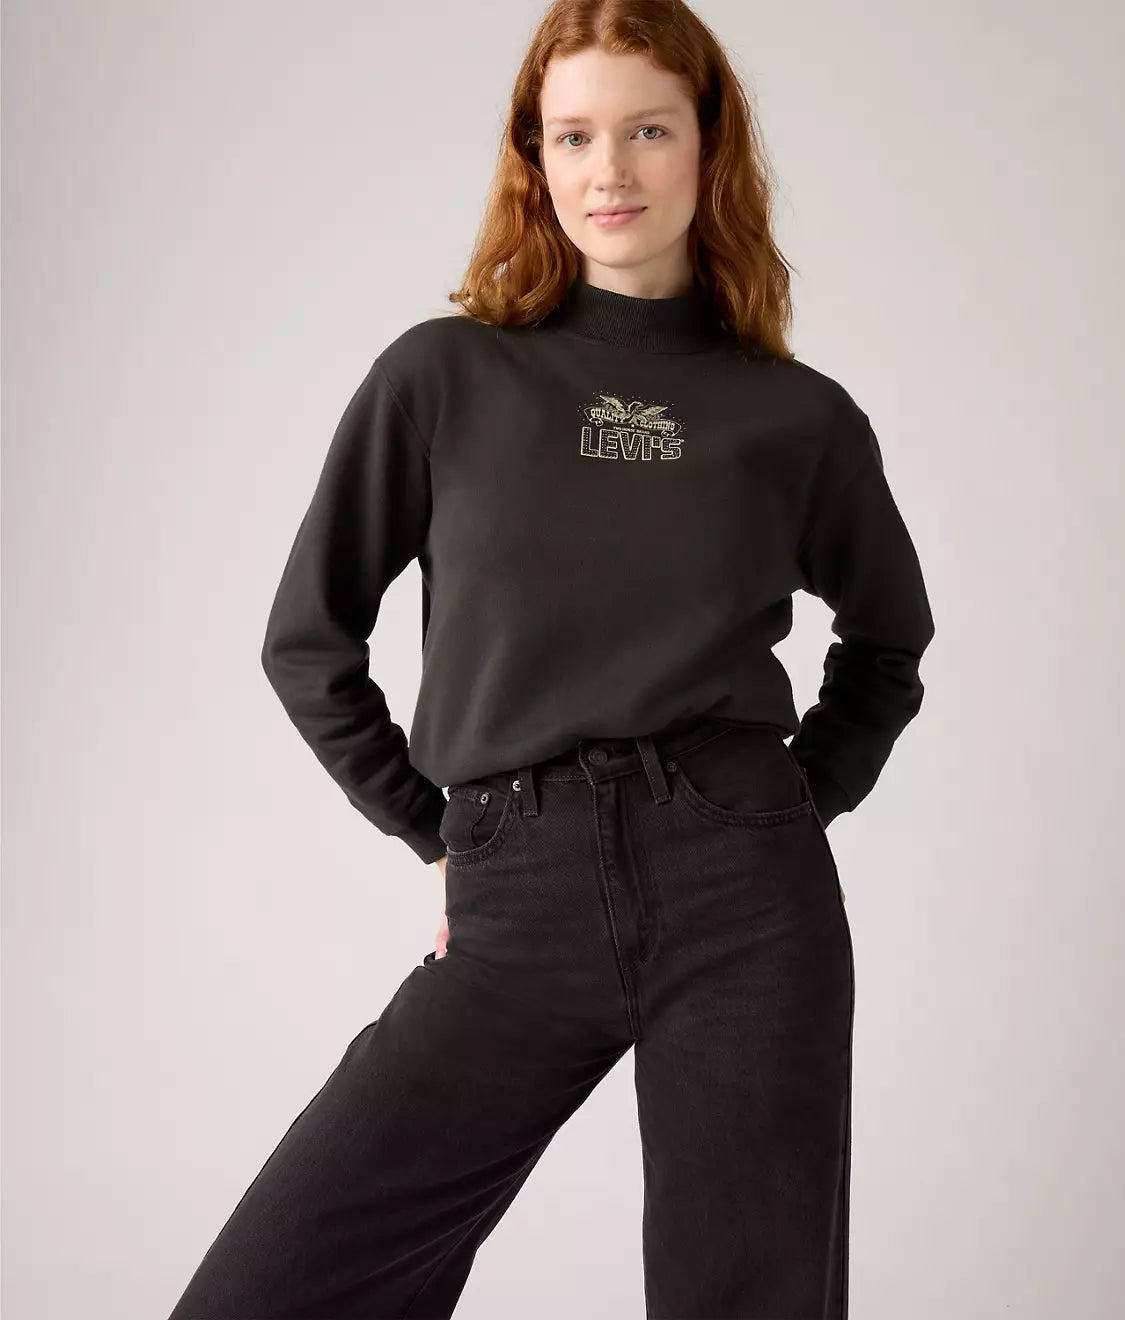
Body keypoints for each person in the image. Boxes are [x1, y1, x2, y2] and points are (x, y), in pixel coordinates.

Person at [166, 1, 934, 1315]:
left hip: (746, 902)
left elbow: (888, 639)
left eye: (647, 130)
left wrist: (791, 807)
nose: (608, 170)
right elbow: (308, 641)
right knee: (273, 1287)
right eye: (572, 135)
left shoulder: (795, 417)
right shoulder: (443, 379)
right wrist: (435, 832)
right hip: (517, 890)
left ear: (708, 145)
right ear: (534, 155)